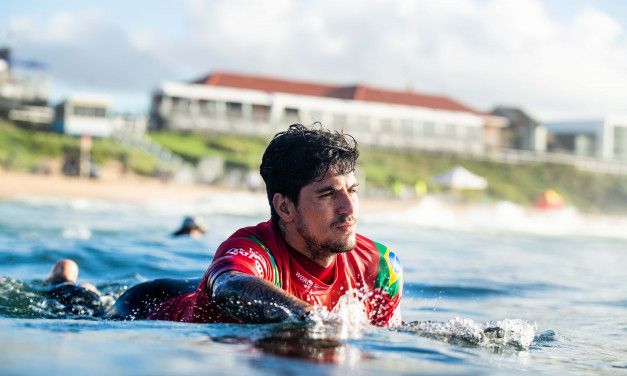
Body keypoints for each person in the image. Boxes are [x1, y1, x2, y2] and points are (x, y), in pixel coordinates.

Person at [107, 123, 403, 326]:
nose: (349, 209)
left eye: (352, 190)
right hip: (145, 306)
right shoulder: (254, 250)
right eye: (326, 195)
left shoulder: (379, 269)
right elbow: (228, 287)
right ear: (285, 207)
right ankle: (61, 282)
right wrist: (314, 320)